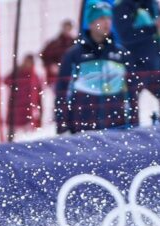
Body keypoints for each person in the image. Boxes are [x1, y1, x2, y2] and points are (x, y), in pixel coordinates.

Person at [55, 1, 138, 134]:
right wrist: (62, 128)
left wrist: (134, 124)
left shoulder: (121, 54)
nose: (107, 22)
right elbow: (62, 93)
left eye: (109, 18)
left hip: (117, 128)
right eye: (101, 18)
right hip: (83, 129)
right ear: (90, 23)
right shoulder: (74, 55)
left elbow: (132, 92)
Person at [112, 0, 160, 96]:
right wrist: (155, 29)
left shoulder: (152, 4)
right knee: (134, 104)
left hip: (155, 67)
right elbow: (125, 35)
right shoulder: (123, 5)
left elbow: (158, 31)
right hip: (136, 69)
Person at [4, 54, 43, 139]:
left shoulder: (35, 77)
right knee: (11, 137)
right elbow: (6, 81)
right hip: (15, 110)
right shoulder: (17, 73)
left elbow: (39, 96)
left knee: (26, 139)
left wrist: (39, 114)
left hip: (27, 113)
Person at [40, 20, 76, 86]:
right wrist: (51, 65)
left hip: (70, 77)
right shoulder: (54, 44)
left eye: (69, 28)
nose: (67, 30)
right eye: (66, 28)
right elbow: (43, 55)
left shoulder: (74, 43)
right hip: (56, 78)